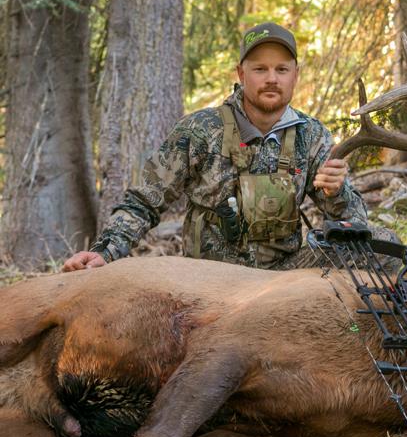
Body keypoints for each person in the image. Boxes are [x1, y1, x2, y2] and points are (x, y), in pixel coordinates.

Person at [63, 22, 369, 272]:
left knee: (382, 244)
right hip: (208, 281)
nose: (272, 79)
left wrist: (336, 192)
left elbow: (353, 224)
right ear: (241, 73)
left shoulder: (312, 135)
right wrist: (105, 251)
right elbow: (144, 201)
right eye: (260, 69)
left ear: (295, 74)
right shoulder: (200, 130)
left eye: (282, 69)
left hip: (284, 279)